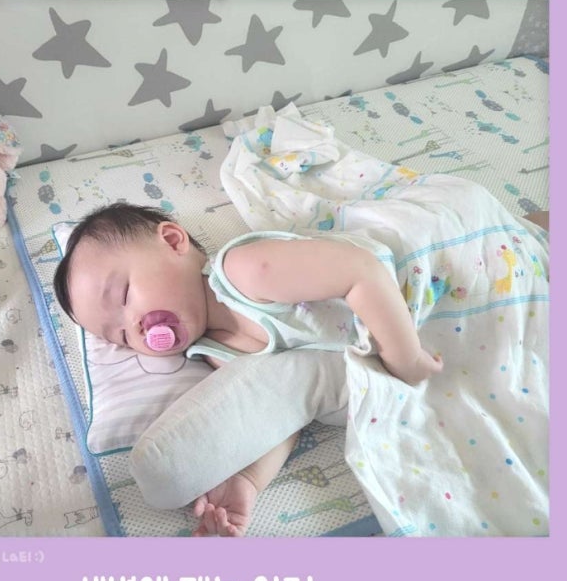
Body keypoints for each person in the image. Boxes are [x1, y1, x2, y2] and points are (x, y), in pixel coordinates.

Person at [53, 202, 548, 538]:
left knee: (525, 245)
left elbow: (361, 271)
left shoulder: (242, 270)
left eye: (123, 296)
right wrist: (248, 481)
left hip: (425, 272)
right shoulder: (213, 353)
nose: (135, 327)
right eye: (120, 336)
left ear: (172, 240)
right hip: (408, 329)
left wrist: (404, 356)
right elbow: (290, 401)